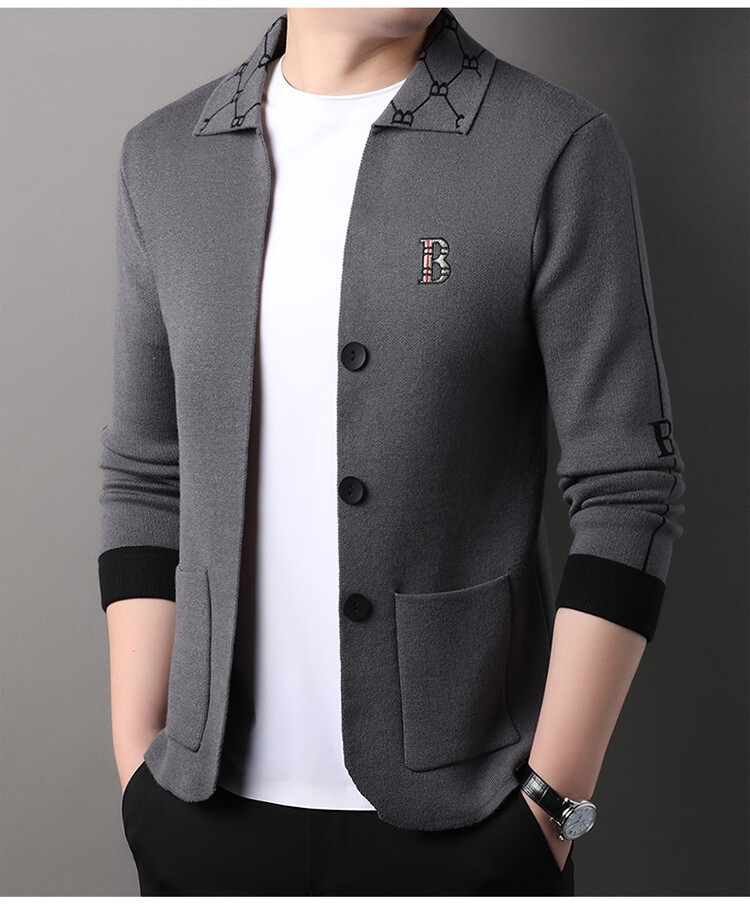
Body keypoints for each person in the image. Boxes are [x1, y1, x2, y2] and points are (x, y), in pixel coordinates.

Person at [98, 6, 685, 897]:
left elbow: (630, 485)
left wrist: (550, 808)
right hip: (201, 818)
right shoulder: (164, 159)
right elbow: (146, 472)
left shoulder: (553, 147)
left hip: (472, 824)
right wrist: (139, 768)